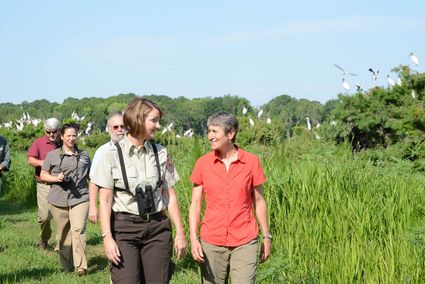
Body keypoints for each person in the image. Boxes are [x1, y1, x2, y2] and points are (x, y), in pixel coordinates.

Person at [92, 97, 186, 283]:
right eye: (154, 120)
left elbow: (170, 196)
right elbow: (105, 200)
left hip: (157, 228)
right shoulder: (111, 155)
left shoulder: (161, 152)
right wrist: (107, 237)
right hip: (124, 230)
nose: (158, 126)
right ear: (138, 120)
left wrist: (180, 233)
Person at [189, 111, 271, 284]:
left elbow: (259, 201)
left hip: (244, 239)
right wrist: (193, 238)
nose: (210, 136)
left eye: (215, 131)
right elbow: (195, 204)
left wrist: (266, 236)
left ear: (230, 133)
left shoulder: (251, 162)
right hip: (211, 240)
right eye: (209, 131)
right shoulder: (203, 163)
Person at [40, 123, 91, 276]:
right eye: (68, 135)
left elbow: (91, 177)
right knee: (63, 233)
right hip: (58, 198)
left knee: (78, 229)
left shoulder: (85, 155)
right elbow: (43, 175)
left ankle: (81, 266)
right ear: (62, 136)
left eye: (74, 135)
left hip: (80, 197)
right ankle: (66, 266)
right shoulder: (53, 155)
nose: (71, 138)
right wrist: (56, 178)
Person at [27, 118, 60, 250]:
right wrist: (45, 163)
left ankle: (62, 244)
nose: (51, 135)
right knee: (45, 216)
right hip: (44, 184)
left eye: (54, 132)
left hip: (60, 185)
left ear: (59, 130)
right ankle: (44, 238)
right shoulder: (39, 142)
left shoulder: (63, 141)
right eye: (48, 132)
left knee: (61, 216)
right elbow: (30, 160)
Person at [88, 112, 126, 224]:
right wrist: (93, 206)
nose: (120, 130)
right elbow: (93, 181)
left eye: (122, 126)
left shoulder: (134, 150)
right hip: (110, 204)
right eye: (115, 127)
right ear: (109, 129)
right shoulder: (102, 151)